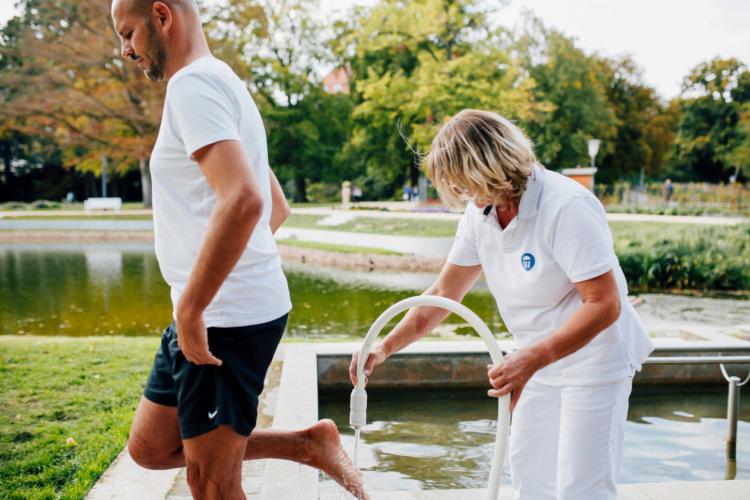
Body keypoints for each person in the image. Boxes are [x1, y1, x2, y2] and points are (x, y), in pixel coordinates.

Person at [110, 1, 367, 498]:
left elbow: (247, 201)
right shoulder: (221, 80)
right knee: (150, 447)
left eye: (128, 34)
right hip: (218, 310)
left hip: (221, 319)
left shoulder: (192, 87)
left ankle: (306, 444)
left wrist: (195, 305)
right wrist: (216, 288)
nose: (124, 50)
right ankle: (306, 443)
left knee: (211, 486)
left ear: (162, 17)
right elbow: (275, 205)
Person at [350, 110, 653, 500]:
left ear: (488, 167)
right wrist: (384, 347)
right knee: (530, 478)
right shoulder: (480, 213)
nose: (460, 194)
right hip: (535, 358)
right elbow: (443, 294)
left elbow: (605, 304)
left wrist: (531, 359)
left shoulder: (565, 205)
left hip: (594, 358)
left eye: (462, 183)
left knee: (583, 488)